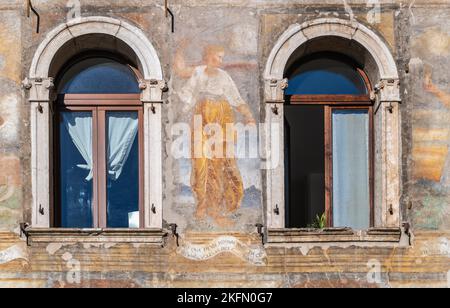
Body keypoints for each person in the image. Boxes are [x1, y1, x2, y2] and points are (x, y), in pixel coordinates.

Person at [174, 44, 256, 227]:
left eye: (222, 57)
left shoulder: (224, 77)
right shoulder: (198, 72)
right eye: (218, 56)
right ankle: (201, 204)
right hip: (200, 119)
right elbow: (180, 72)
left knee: (218, 166)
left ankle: (216, 210)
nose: (221, 60)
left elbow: (236, 99)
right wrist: (179, 49)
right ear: (209, 56)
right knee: (200, 164)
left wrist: (249, 116)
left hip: (221, 118)